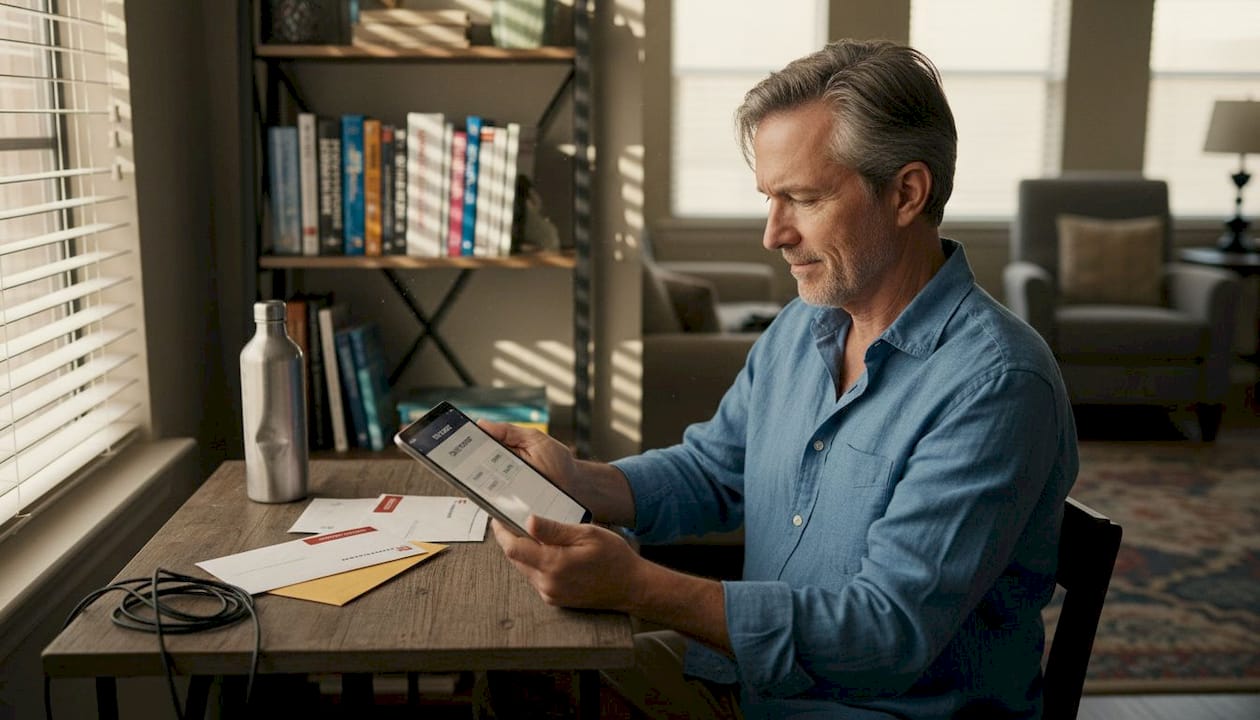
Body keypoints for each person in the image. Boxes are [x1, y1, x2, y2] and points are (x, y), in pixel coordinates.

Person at [485, 38, 1078, 719]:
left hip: (878, 711)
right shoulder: (804, 328)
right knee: (519, 669)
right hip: (754, 682)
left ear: (906, 192)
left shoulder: (997, 385)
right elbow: (712, 471)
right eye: (770, 198)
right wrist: (577, 480)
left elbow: (884, 632)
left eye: (802, 198)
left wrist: (639, 587)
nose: (773, 234)